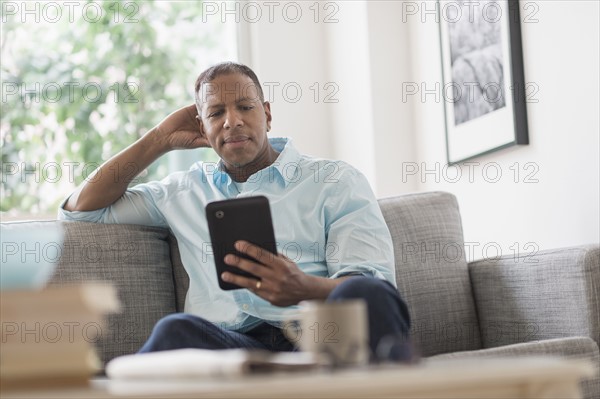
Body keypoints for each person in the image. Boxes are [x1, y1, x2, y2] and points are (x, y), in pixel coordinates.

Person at [59, 62, 411, 361]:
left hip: (319, 338)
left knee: (368, 294)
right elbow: (81, 210)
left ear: (267, 114)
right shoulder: (182, 191)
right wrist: (160, 139)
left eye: (245, 107)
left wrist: (304, 287)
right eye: (216, 113)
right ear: (202, 128)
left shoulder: (335, 180)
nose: (232, 121)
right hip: (231, 350)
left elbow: (374, 284)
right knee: (175, 330)